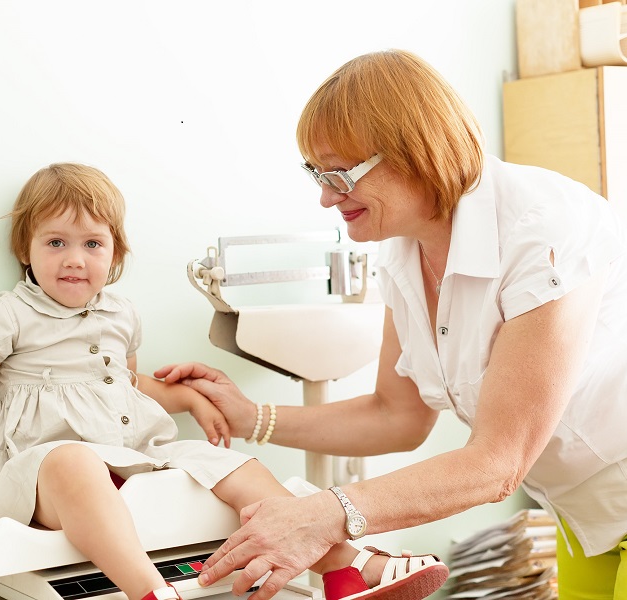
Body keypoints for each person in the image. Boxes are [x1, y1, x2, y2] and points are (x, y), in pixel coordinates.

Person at [0, 162, 448, 600]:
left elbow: (125, 387)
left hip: (134, 453)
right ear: (25, 250)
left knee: (234, 468)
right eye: (55, 242)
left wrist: (185, 396)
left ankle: (344, 568)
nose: (74, 258)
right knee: (73, 461)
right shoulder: (10, 315)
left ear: (116, 254)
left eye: (91, 244)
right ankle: (149, 594)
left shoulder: (119, 314)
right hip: (44, 470)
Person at [156, 48, 627, 600]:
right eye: (316, 172)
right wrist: (248, 417)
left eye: (338, 173)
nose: (326, 196)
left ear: (415, 150)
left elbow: (498, 462)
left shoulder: (543, 227)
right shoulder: (403, 252)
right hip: (584, 515)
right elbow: (396, 415)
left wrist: (326, 516)